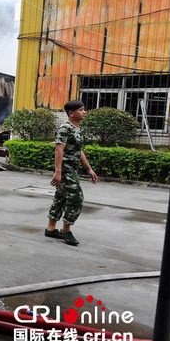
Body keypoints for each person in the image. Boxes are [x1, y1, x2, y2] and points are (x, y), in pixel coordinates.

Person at [45, 100, 98, 246]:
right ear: (71, 113)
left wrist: (89, 169)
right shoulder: (64, 129)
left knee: (61, 197)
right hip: (66, 169)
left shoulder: (77, 129)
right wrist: (58, 172)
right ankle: (65, 230)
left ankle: (50, 228)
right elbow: (58, 150)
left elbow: (78, 151)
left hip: (72, 169)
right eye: (81, 110)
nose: (84, 112)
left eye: (84, 109)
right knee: (76, 199)